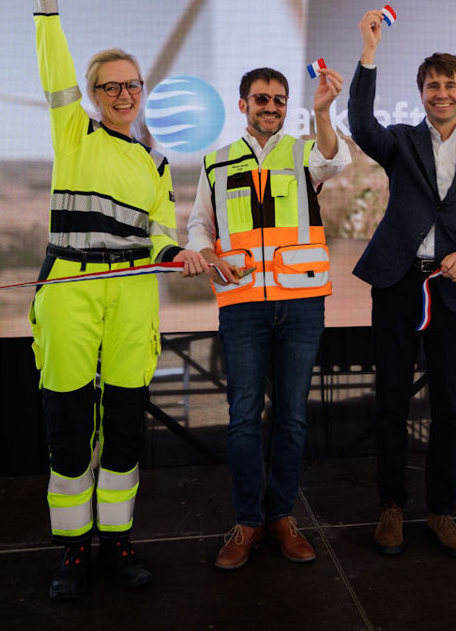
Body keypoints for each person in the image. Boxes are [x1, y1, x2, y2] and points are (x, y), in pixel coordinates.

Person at [27, 0, 209, 599]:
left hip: (132, 295)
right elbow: (52, 54)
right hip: (71, 290)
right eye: (111, 86)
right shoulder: (72, 129)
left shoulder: (157, 161)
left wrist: (181, 256)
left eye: (132, 85)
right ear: (94, 93)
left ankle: (119, 543)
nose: (124, 94)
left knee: (128, 426)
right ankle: (73, 554)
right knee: (69, 428)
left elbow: (161, 233)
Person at [347, 9, 456, 559]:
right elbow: (360, 123)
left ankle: (440, 510)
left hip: (450, 290)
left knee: (448, 405)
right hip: (397, 283)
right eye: (433, 84)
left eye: (450, 85)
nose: (442, 93)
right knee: (391, 401)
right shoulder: (398, 141)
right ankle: (391, 508)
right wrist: (369, 52)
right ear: (421, 93)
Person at [187, 65, 351, 570]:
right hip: (241, 305)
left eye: (280, 100)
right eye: (262, 99)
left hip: (301, 303)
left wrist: (322, 110)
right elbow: (199, 222)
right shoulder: (216, 163)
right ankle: (248, 521)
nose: (272, 106)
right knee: (241, 418)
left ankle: (282, 516)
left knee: (292, 416)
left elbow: (337, 159)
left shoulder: (303, 153)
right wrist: (200, 250)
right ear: (243, 105)